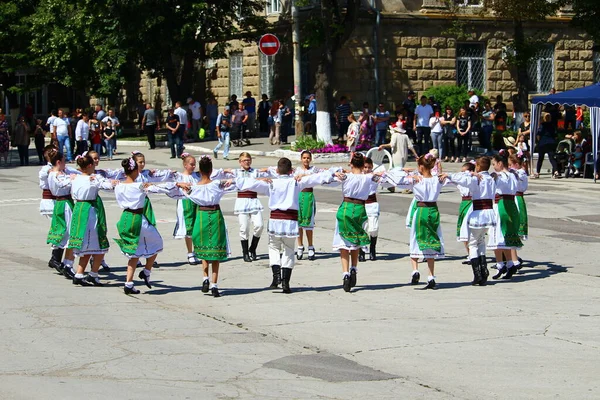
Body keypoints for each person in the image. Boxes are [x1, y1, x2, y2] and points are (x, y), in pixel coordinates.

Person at [235, 157, 332, 293]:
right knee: (289, 249)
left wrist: (233, 181)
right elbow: (316, 178)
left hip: (275, 221)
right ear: (291, 170)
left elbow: (250, 183)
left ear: (277, 171)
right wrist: (334, 172)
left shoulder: (272, 183)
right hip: (290, 222)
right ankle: (285, 282)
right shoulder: (296, 182)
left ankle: (276, 277)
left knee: (274, 248)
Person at [113, 157, 183, 295]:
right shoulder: (139, 185)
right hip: (138, 218)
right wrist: (176, 185)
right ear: (133, 171)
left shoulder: (119, 185)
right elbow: (156, 188)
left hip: (125, 218)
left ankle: (129, 282)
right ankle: (146, 271)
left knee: (134, 252)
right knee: (157, 243)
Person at [386, 154, 445, 289]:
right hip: (434, 211)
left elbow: (392, 177)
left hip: (421, 211)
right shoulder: (438, 180)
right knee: (431, 240)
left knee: (415, 239)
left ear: (421, 167)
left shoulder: (416, 180)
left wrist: (405, 173)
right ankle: (431, 276)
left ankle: (415, 270)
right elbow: (455, 178)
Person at [182, 156, 235, 297]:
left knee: (204, 247)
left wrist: (180, 185)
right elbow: (234, 184)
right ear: (211, 170)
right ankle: (214, 285)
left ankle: (205, 278)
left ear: (200, 170)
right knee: (215, 251)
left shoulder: (194, 188)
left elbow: (180, 191)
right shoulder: (217, 184)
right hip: (215, 215)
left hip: (202, 216)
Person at [330, 153, 381, 292]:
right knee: (356, 241)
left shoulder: (346, 176)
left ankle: (345, 273)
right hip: (360, 209)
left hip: (346, 208)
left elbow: (329, 175)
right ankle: (354, 268)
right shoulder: (368, 177)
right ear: (362, 165)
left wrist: (336, 172)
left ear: (351, 164)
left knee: (343, 243)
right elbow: (382, 177)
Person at [443, 156, 496, 285]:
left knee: (472, 243)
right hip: (489, 213)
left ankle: (477, 274)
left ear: (477, 166)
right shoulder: (491, 178)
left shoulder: (475, 179)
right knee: (481, 241)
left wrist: (448, 174)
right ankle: (484, 269)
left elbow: (462, 179)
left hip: (478, 212)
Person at [68, 153, 116, 286]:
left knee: (87, 246)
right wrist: (116, 183)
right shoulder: (92, 179)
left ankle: (79, 273)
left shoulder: (75, 178)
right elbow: (107, 186)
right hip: (89, 210)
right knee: (99, 245)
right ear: (90, 165)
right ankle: (93, 274)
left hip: (78, 208)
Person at [487, 152, 523, 279]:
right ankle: (508, 263)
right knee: (505, 235)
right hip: (511, 204)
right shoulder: (514, 175)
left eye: (494, 164)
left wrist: (494, 178)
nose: (493, 167)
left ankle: (501, 263)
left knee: (497, 234)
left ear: (500, 163)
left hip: (501, 205)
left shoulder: (501, 176)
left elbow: (496, 186)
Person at [229, 152, 268, 262]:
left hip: (253, 200)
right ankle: (245, 252)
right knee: (244, 228)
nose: (247, 162)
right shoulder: (236, 172)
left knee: (259, 225)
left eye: (248, 160)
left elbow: (267, 173)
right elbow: (222, 173)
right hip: (242, 201)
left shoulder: (255, 172)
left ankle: (253, 248)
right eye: (244, 160)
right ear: (240, 161)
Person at [46, 149, 76, 279]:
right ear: (58, 162)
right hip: (64, 203)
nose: (66, 164)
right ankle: (66, 263)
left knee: (63, 229)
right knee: (69, 231)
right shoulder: (57, 174)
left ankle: (58, 259)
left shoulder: (54, 172)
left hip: (60, 203)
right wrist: (72, 179)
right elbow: (62, 183)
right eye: (64, 162)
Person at [295, 151, 321, 261]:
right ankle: (300, 246)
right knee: (298, 223)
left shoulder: (313, 169)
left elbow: (315, 176)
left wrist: (304, 175)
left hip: (308, 197)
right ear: (301, 159)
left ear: (310, 159)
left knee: (308, 223)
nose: (306, 160)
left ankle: (311, 246)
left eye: (308, 158)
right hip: (299, 196)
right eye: (304, 158)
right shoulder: (297, 170)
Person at [359, 157, 381, 262]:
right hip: (361, 204)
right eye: (365, 167)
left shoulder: (375, 177)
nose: (367, 169)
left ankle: (372, 249)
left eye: (369, 167)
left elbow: (384, 179)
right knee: (362, 228)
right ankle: (361, 251)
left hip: (372, 204)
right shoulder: (358, 176)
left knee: (373, 229)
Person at [509, 154, 528, 269]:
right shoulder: (518, 172)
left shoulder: (520, 173)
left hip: (515, 199)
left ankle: (513, 259)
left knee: (512, 228)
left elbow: (516, 175)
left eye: (510, 164)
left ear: (516, 165)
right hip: (515, 198)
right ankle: (510, 258)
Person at [534, 113, 559, 179]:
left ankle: (537, 172)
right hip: (551, 142)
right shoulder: (552, 125)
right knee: (552, 158)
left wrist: (539, 141)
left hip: (543, 142)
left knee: (540, 158)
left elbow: (538, 134)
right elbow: (556, 136)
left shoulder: (542, 125)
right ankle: (556, 171)